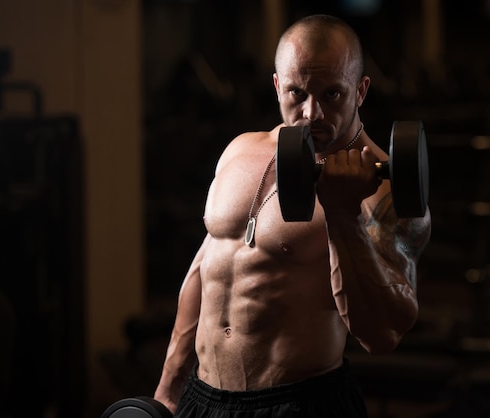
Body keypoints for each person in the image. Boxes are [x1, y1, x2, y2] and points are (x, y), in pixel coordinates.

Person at [154, 14, 431, 417]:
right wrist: (169, 386)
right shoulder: (240, 151)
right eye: (296, 93)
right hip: (203, 398)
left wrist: (343, 215)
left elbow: (383, 334)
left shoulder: (383, 192)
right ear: (276, 86)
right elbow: (207, 267)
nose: (311, 112)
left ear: (361, 90)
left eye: (332, 95)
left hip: (300, 404)